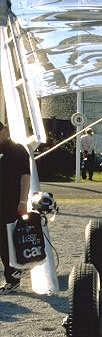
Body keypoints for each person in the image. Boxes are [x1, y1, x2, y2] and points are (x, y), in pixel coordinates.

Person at [0, 121, 31, 293]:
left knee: (8, 241)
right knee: (2, 242)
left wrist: (23, 202)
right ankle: (12, 276)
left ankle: (13, 279)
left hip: (11, 203)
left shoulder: (17, 150)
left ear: (4, 132)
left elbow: (25, 176)